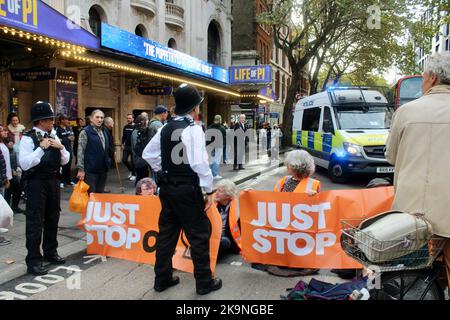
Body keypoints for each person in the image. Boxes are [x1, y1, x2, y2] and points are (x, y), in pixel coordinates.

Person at [143, 83, 222, 295]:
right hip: (187, 190)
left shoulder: (165, 128)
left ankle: (162, 279)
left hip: (168, 190)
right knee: (198, 234)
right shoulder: (193, 129)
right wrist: (208, 189)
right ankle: (204, 281)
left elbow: (148, 155)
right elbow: (200, 164)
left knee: (166, 235)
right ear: (194, 108)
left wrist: (164, 171)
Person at [385, 53, 450, 293]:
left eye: (423, 76)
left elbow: (391, 157)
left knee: (411, 278)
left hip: (411, 215)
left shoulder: (406, 112)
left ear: (432, 78)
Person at [19, 101, 70, 276]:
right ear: (41, 121)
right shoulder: (28, 138)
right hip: (36, 183)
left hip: (53, 181)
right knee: (35, 222)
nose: (52, 122)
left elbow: (65, 161)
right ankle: (33, 260)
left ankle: (50, 252)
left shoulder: (54, 135)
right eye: (50, 119)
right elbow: (25, 164)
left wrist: (61, 147)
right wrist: (41, 148)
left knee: (52, 217)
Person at [270, 149, 320, 276]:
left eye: (290, 165)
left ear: (297, 166)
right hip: (283, 223)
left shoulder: (313, 184)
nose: (287, 167)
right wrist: (251, 195)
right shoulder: (284, 180)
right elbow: (269, 201)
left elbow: (320, 209)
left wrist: (314, 197)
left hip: (300, 227)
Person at [76, 110, 114, 194]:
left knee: (100, 195)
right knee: (91, 196)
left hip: (103, 169)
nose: (99, 119)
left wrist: (109, 159)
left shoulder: (104, 130)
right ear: (91, 119)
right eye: (97, 117)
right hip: (90, 170)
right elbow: (80, 151)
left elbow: (107, 146)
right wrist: (81, 169)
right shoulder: (85, 132)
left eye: (101, 117)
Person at [214, 179, 241, 257]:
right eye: (217, 190)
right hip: (212, 237)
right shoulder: (211, 204)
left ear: (228, 195)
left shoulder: (237, 207)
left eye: (220, 191)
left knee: (225, 242)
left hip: (224, 239)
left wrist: (250, 194)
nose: (216, 193)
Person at [1, 124, 24, 214]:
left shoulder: (7, 145)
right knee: (5, 195)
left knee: (17, 189)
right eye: (3, 130)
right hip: (4, 175)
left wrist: (14, 169)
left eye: (6, 130)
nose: (6, 132)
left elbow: (10, 160)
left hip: (9, 174)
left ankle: (12, 208)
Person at [56, 114, 74, 188]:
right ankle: (62, 181)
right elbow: (57, 140)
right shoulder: (57, 129)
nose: (67, 121)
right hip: (62, 150)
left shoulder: (68, 128)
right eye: (66, 119)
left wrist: (72, 138)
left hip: (69, 149)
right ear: (61, 120)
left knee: (68, 165)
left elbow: (72, 137)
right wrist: (66, 139)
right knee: (63, 166)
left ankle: (68, 180)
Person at [131, 115, 151, 183]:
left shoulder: (143, 131)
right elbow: (136, 147)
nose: (148, 121)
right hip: (139, 160)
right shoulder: (135, 132)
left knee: (143, 178)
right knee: (140, 179)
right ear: (143, 121)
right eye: (147, 120)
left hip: (142, 160)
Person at [207, 115, 226, 180]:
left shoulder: (209, 127)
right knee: (216, 160)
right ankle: (214, 174)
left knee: (212, 160)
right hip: (218, 146)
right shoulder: (222, 128)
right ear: (220, 119)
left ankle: (211, 174)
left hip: (210, 146)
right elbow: (224, 137)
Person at [121, 114, 135, 181]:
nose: (128, 119)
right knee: (124, 160)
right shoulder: (125, 127)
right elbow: (124, 136)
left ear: (133, 119)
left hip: (133, 147)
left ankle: (134, 174)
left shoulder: (135, 127)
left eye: (129, 118)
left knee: (133, 161)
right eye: (127, 118)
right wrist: (122, 144)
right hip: (126, 146)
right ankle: (131, 170)